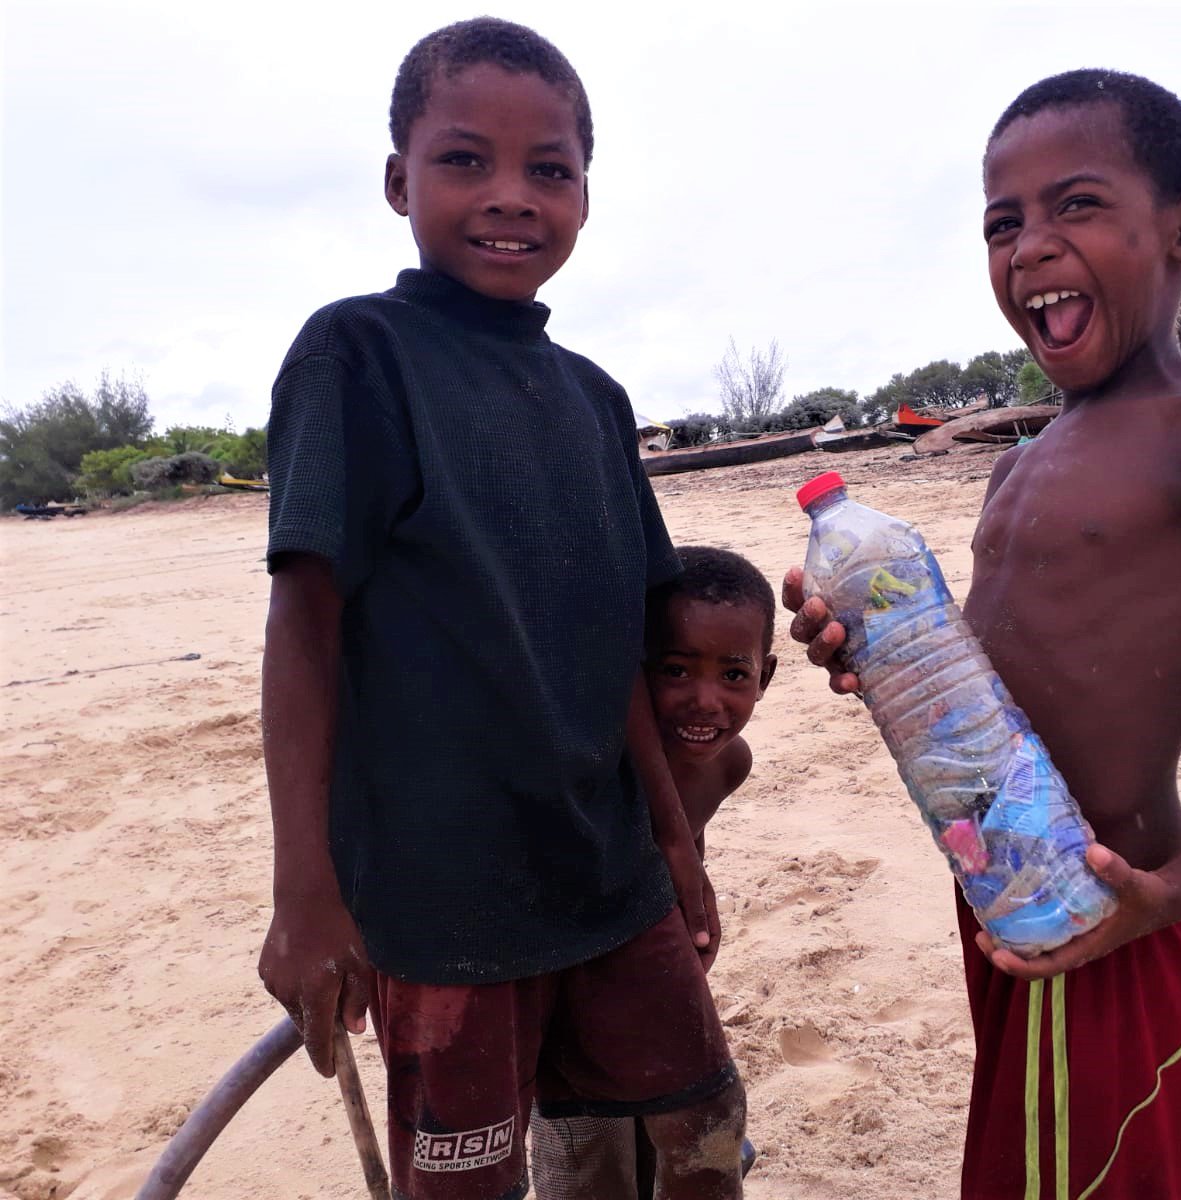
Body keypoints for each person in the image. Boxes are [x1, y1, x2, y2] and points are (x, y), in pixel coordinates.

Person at [784, 70, 1181, 1199]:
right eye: (1001, 224)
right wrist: (870, 653)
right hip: (1004, 896)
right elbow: (985, 685)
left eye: (1075, 206)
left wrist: (1179, 889)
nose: (1029, 247)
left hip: (1118, 908)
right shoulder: (1016, 464)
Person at [256, 18, 746, 1199]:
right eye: (465, 159)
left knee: (687, 1147)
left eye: (550, 168)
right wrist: (305, 897)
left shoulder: (593, 399)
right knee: (468, 1182)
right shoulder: (354, 357)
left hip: (610, 877)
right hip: (441, 903)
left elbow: (624, 652)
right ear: (397, 180)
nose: (510, 196)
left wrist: (675, 846)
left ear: (586, 193)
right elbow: (306, 629)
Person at [529, 546, 777, 1200]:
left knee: (685, 1123)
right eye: (674, 669)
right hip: (575, 979)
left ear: (766, 676)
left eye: (734, 674)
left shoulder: (729, 764)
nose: (705, 701)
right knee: (586, 1152)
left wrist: (694, 899)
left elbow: (685, 847)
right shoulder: (599, 771)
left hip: (658, 967)